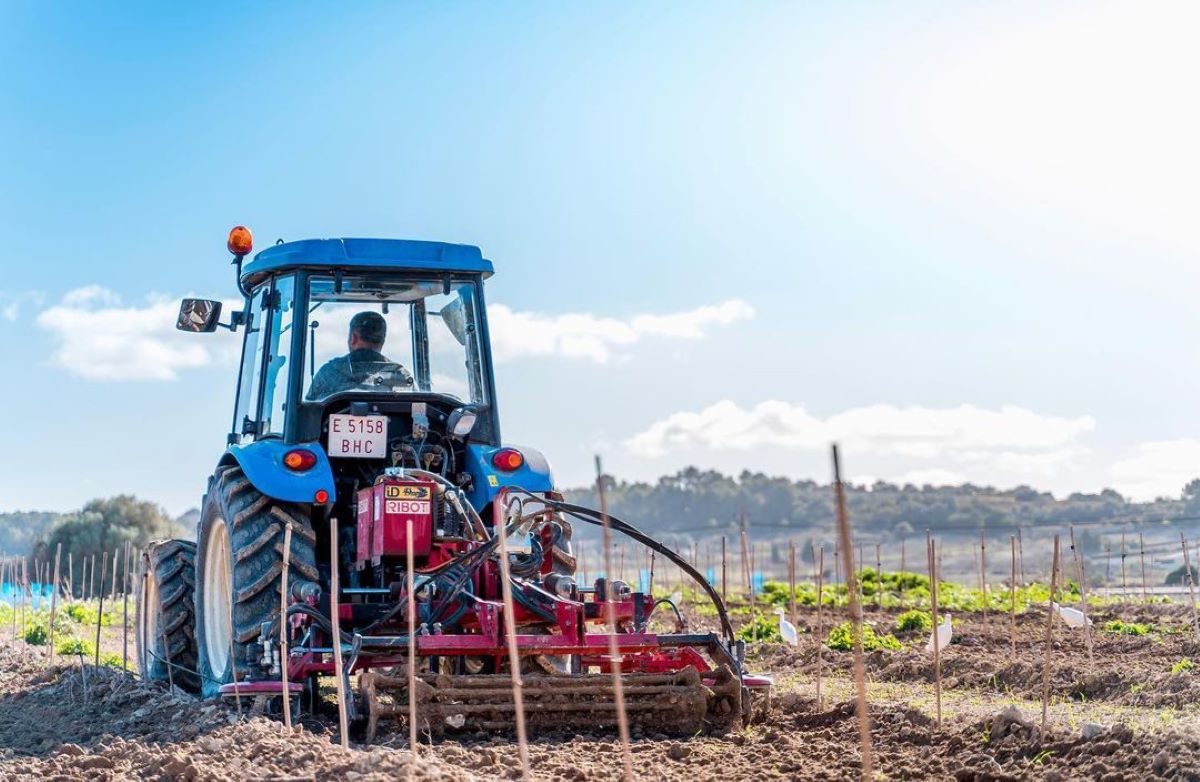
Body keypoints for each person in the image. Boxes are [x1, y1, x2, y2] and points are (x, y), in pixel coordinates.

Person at [306, 311, 413, 399]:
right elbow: (418, 412)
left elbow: (310, 413)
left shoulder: (329, 373)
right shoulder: (401, 376)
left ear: (353, 338)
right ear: (382, 341)